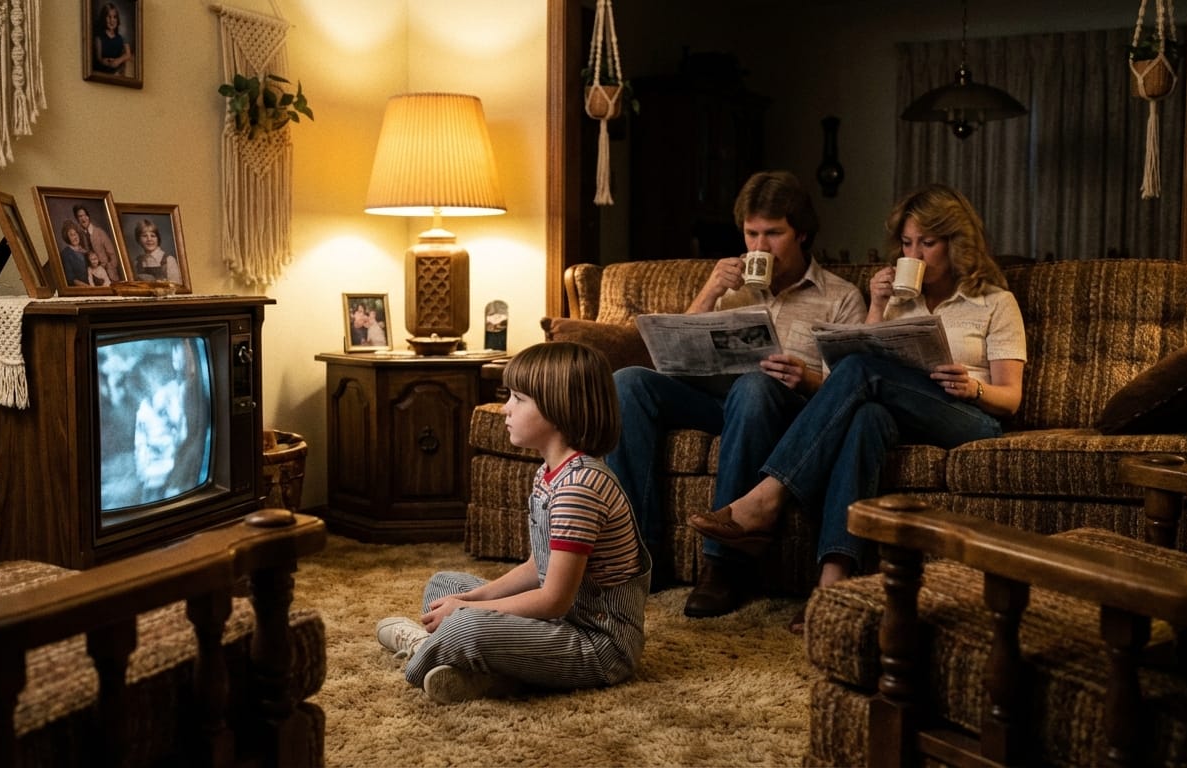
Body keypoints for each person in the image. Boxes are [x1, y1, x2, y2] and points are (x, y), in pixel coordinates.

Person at [689, 183, 1027, 633]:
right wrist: (880, 308)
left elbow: (1011, 397)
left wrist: (973, 387)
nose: (916, 254)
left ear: (956, 243)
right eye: (907, 244)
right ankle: (832, 584)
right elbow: (859, 357)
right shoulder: (900, 298)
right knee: (865, 416)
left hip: (968, 416)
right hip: (899, 412)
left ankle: (767, 496)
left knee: (861, 370)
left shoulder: (995, 301)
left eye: (927, 243)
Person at [606, 170, 867, 619]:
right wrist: (710, 290)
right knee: (628, 381)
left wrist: (803, 376)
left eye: (773, 234)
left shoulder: (842, 299)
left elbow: (844, 392)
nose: (760, 247)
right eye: (751, 234)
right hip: (719, 400)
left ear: (802, 234)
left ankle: (722, 565)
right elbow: (673, 357)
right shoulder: (731, 288)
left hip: (789, 410)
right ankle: (636, 554)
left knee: (755, 384)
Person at [373, 341, 651, 704]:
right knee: (443, 586)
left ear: (558, 407)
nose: (505, 408)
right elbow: (540, 567)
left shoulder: (580, 487)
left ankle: (424, 651)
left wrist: (469, 612)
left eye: (518, 399)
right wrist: (469, 597)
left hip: (597, 645)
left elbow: (553, 600)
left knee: (464, 624)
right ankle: (488, 676)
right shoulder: (549, 474)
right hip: (560, 625)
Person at [74, 205, 122, 282]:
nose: (83, 218)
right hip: (93, 275)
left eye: (85, 215)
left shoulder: (99, 232)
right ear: (77, 220)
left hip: (108, 274)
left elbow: (112, 254)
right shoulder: (80, 236)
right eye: (80, 216)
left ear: (88, 217)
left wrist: (110, 268)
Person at [131, 218, 183, 284]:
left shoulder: (169, 260)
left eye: (153, 236)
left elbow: (177, 287)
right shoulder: (136, 262)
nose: (149, 239)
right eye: (144, 236)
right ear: (138, 240)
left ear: (158, 239)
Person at [92, 2, 134, 76]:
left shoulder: (121, 38)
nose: (112, 20)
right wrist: (107, 62)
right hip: (104, 72)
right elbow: (99, 58)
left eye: (114, 17)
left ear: (117, 19)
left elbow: (128, 54)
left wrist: (118, 61)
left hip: (118, 71)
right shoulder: (99, 38)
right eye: (109, 17)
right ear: (103, 18)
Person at [57, 220, 92, 287]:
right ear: (67, 237)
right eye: (71, 235)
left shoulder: (85, 251)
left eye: (76, 233)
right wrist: (88, 288)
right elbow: (71, 279)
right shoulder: (65, 254)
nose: (75, 237)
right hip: (80, 290)